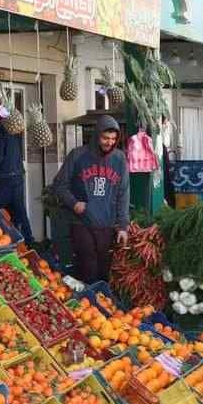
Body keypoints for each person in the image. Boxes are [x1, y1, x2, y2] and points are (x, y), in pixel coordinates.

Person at [52, 116, 129, 284]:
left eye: (113, 139)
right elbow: (58, 185)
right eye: (105, 138)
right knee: (88, 266)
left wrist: (123, 226)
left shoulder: (120, 159)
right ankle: (88, 302)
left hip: (106, 223)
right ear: (96, 135)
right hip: (81, 221)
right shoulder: (78, 155)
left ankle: (100, 304)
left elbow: (123, 193)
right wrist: (74, 203)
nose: (109, 142)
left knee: (103, 269)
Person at [0, 107, 35, 247]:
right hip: (17, 177)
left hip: (3, 179)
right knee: (20, 212)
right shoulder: (13, 131)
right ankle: (28, 243)